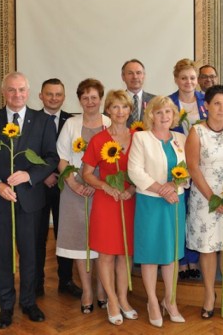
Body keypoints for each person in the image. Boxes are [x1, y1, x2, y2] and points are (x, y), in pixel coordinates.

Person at [0, 72, 59, 329]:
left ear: (28, 92)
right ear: (3, 92)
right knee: (3, 255)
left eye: (21, 90)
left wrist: (30, 175)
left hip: (30, 202)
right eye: (11, 90)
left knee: (30, 254)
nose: (17, 95)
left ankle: (29, 302)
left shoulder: (43, 121)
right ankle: (6, 305)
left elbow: (51, 158)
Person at [128, 96, 188, 328]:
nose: (164, 117)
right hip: (150, 202)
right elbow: (135, 171)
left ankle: (170, 301)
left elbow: (188, 169)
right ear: (150, 115)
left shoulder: (181, 139)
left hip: (175, 201)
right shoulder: (141, 138)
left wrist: (174, 186)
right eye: (159, 112)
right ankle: (153, 301)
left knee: (172, 254)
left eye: (168, 112)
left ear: (174, 116)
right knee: (151, 254)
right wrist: (161, 189)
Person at [185, 85, 223, 320]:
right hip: (205, 198)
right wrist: (213, 198)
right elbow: (192, 167)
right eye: (217, 103)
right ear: (206, 105)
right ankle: (209, 295)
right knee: (208, 249)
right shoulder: (196, 132)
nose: (222, 108)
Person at [56, 78, 111, 313]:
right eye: (85, 97)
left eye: (94, 97)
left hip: (104, 188)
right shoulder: (70, 124)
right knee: (79, 241)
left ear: (101, 99)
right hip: (74, 190)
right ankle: (87, 290)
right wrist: (73, 184)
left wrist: (101, 184)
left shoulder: (110, 122)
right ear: (79, 100)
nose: (90, 101)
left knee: (103, 241)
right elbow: (62, 159)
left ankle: (102, 288)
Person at [82, 90, 137, 326]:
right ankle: (112, 300)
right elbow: (86, 174)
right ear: (108, 110)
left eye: (124, 107)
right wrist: (106, 187)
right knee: (105, 254)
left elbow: (145, 171)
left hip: (130, 200)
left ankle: (124, 299)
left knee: (125, 254)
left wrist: (132, 189)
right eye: (115, 107)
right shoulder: (98, 140)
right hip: (107, 201)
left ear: (130, 111)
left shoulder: (139, 137)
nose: (120, 112)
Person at [35, 78, 82, 299]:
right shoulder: (31, 120)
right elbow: (27, 152)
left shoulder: (73, 121)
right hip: (38, 187)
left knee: (64, 235)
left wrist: (61, 174)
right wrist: (44, 175)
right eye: (49, 94)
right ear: (41, 96)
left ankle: (65, 280)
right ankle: (36, 282)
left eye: (58, 94)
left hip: (67, 187)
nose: (54, 98)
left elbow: (74, 153)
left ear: (64, 97)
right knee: (38, 236)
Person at [168, 58, 203, 278]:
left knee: (197, 214)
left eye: (192, 78)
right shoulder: (169, 102)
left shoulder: (206, 100)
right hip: (178, 164)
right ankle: (181, 260)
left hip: (201, 165)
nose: (188, 82)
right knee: (181, 212)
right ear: (176, 80)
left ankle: (195, 260)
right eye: (183, 78)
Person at [122, 59, 155, 127]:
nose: (135, 77)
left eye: (138, 73)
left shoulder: (155, 101)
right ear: (123, 77)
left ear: (144, 76)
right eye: (130, 73)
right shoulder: (114, 102)